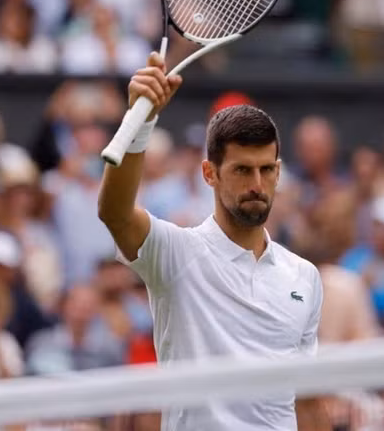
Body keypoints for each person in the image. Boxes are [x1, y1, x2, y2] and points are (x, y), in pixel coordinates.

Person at [97, 52, 329, 431]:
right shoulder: (175, 254)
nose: (257, 184)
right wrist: (141, 120)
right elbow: (115, 212)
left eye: (266, 170)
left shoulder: (305, 277)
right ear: (210, 174)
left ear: (278, 172)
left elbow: (306, 400)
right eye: (241, 170)